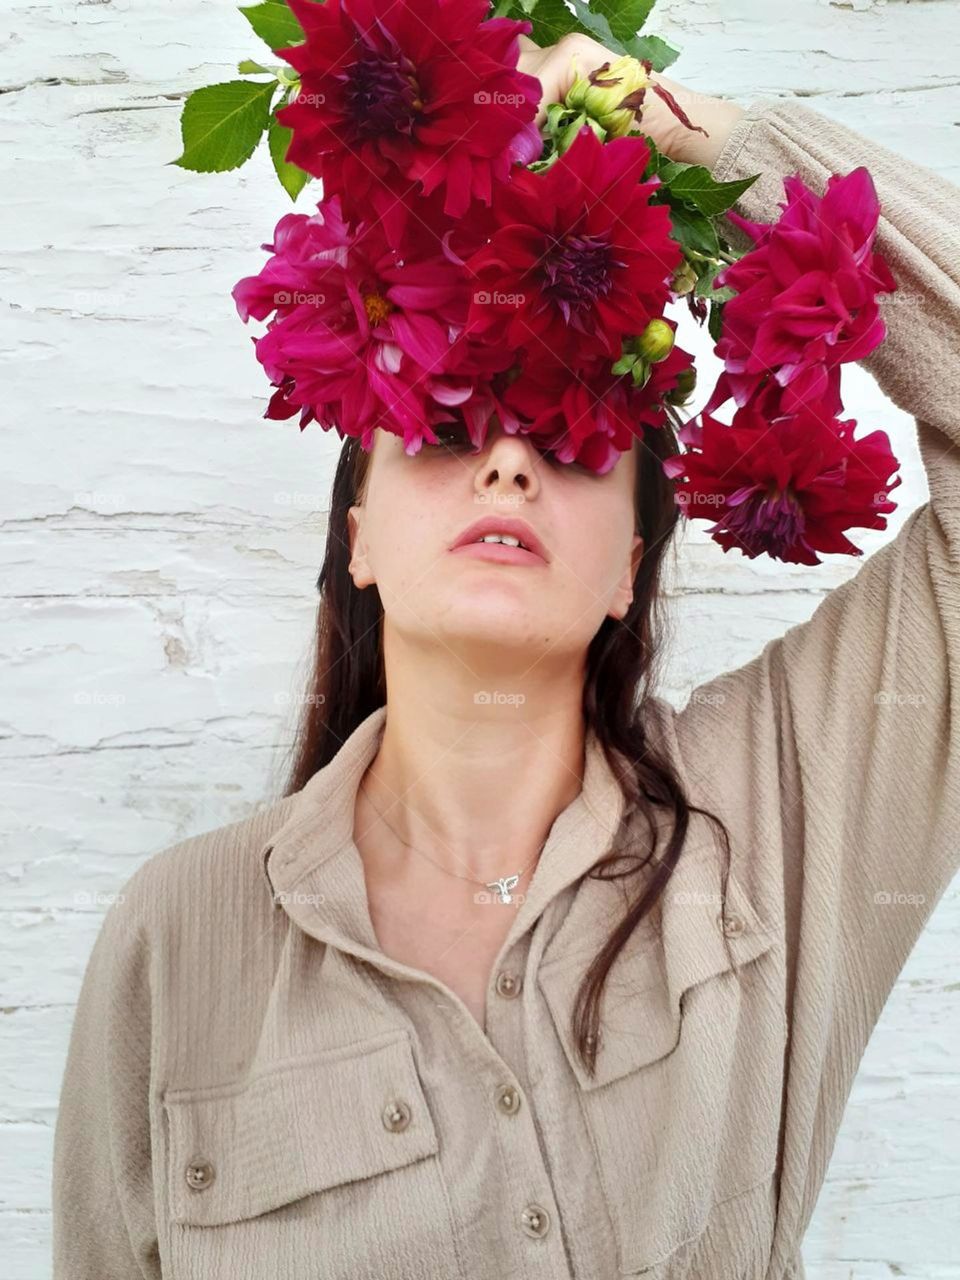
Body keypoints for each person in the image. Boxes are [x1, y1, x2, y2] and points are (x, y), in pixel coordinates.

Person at [51, 30, 960, 1280]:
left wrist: (672, 127)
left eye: (570, 439)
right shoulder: (178, 933)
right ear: (357, 537)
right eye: (444, 427)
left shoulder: (780, 813)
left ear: (629, 566)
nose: (510, 463)